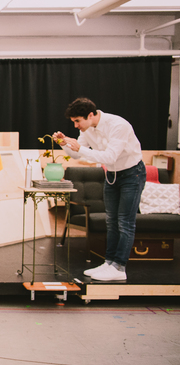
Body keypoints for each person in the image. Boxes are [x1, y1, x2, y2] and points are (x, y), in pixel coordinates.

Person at [53, 97, 145, 282]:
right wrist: (64, 144)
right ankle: (109, 263)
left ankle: (119, 268)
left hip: (131, 174)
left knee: (124, 222)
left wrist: (80, 147)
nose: (76, 126)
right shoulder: (88, 129)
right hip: (111, 175)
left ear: (90, 115)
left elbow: (110, 156)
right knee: (111, 221)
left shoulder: (118, 125)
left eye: (78, 121)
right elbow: (78, 153)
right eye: (73, 122)